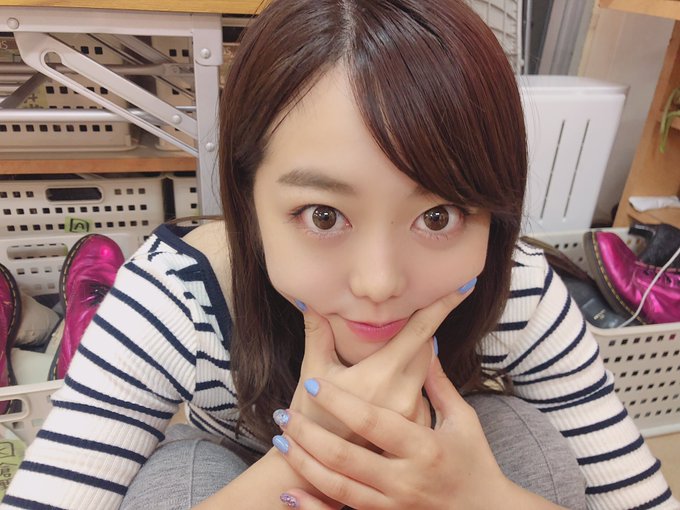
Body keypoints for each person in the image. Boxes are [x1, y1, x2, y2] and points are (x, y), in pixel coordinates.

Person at [3, 1, 677, 509]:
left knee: (524, 445)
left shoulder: (518, 290)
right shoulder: (176, 296)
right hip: (244, 469)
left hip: (436, 469)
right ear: (247, 198)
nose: (379, 283)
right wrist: (305, 460)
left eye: (438, 216)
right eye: (323, 215)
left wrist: (480, 498)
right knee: (179, 480)